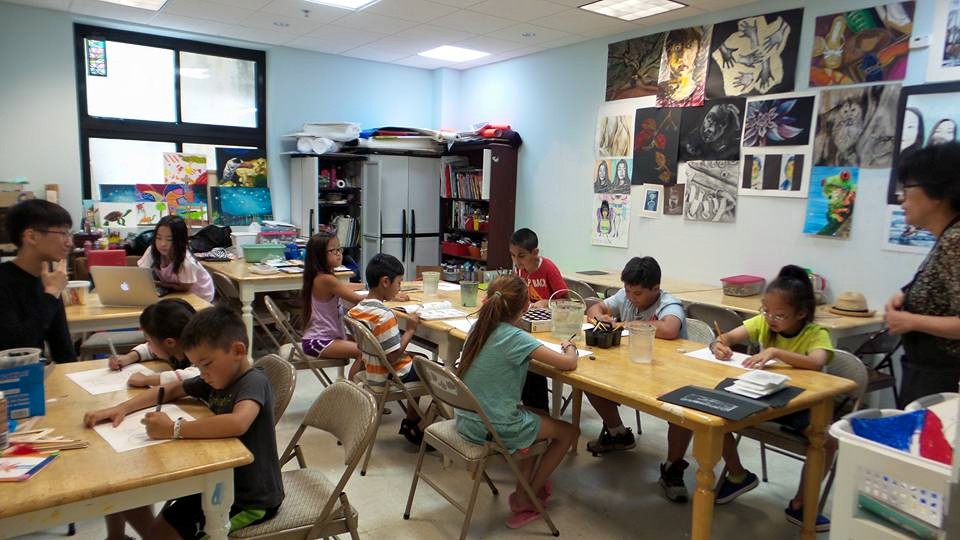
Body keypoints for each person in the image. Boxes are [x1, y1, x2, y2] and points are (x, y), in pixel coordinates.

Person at [84, 306, 283, 539]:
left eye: (206, 363)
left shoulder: (253, 381)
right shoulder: (217, 377)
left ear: (238, 351)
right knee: (136, 500)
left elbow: (238, 422)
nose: (202, 373)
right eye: (197, 366)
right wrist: (121, 408)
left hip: (250, 499)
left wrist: (173, 428)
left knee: (161, 533)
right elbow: (171, 389)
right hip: (217, 478)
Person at [661, 265, 834, 532]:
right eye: (766, 311)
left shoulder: (815, 334)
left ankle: (801, 504)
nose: (771, 319)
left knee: (828, 441)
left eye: (779, 315)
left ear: (801, 313)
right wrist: (719, 345)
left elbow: (817, 361)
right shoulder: (763, 323)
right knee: (711, 412)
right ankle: (737, 474)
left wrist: (777, 352)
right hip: (760, 395)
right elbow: (728, 336)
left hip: (797, 402)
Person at [455, 275, 579, 530]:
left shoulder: (478, 327)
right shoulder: (515, 337)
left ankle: (526, 486)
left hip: (467, 419)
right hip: (492, 427)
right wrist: (570, 348)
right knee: (570, 432)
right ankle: (527, 496)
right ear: (526, 307)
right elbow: (567, 364)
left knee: (538, 413)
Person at [583, 256, 687, 454]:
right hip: (631, 366)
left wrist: (627, 324)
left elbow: (669, 328)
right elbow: (596, 307)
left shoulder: (669, 303)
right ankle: (618, 433)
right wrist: (599, 317)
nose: (631, 297)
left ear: (655, 288)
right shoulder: (625, 295)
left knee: (682, 410)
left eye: (637, 293)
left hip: (667, 374)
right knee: (587, 379)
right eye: (628, 291)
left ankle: (674, 464)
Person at [885, 143, 960, 406]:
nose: (901, 199)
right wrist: (906, 297)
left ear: (938, 192)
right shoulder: (949, 237)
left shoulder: (955, 241)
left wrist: (911, 321)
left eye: (907, 190)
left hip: (945, 380)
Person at [346, 253, 426, 445]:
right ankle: (416, 423)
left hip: (372, 369)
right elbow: (393, 356)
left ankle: (412, 418)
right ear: (385, 282)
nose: (399, 288)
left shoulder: (357, 310)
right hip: (388, 375)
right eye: (398, 283)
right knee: (433, 368)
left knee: (420, 356)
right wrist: (410, 330)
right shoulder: (384, 315)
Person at [0, 199, 75, 362]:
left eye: (69, 234)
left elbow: (63, 349)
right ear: (32, 236)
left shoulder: (48, 281)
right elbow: (15, 350)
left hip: (35, 373)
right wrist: (51, 294)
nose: (70, 243)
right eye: (63, 233)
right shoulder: (4, 281)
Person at [509, 228, 567, 414]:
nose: (516, 261)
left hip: (550, 326)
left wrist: (546, 302)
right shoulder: (519, 269)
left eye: (521, 256)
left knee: (534, 363)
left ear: (535, 253)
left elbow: (565, 300)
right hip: (530, 323)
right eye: (513, 255)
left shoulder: (548, 268)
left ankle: (542, 412)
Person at [301, 233, 364, 378]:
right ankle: (351, 389)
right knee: (365, 353)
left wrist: (364, 286)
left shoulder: (320, 276)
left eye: (339, 249)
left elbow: (343, 287)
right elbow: (357, 299)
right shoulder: (326, 279)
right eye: (332, 250)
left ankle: (360, 385)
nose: (338, 254)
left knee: (370, 346)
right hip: (318, 341)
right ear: (319, 255)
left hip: (328, 336)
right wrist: (385, 294)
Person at [108, 298, 199, 388]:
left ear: (170, 342)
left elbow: (192, 376)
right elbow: (151, 349)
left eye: (149, 340)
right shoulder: (177, 347)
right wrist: (128, 358)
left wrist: (146, 380)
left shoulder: (200, 356)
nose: (148, 344)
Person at [138, 215, 214, 302]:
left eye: (169, 239)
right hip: (174, 292)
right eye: (158, 238)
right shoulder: (152, 250)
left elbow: (184, 288)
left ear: (180, 240)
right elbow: (141, 274)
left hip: (199, 296)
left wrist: (159, 284)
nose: (163, 244)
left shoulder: (186, 261)